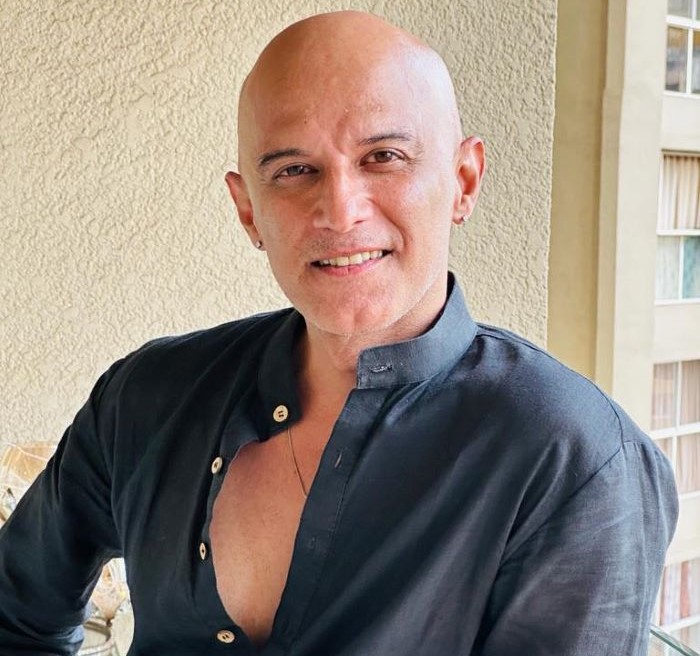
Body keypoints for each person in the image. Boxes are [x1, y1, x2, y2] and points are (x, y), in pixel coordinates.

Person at [0, 10, 678, 656]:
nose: (340, 210)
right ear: (248, 209)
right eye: (294, 170)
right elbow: (15, 619)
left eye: (384, 156)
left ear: (463, 181)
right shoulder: (146, 397)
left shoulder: (574, 461)